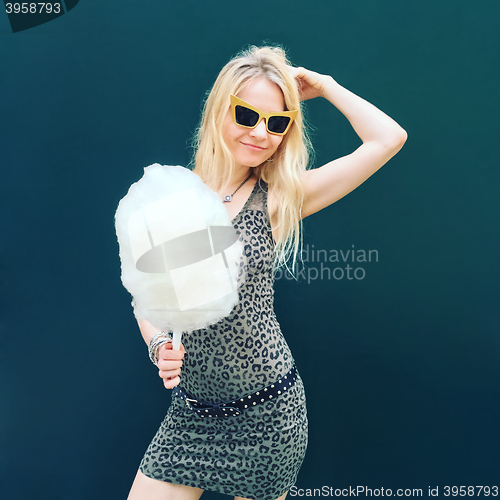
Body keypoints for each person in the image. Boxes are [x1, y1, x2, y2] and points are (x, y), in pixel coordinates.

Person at [127, 45, 407, 500]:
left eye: (278, 123)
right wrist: (159, 343)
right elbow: (147, 295)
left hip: (268, 413)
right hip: (192, 415)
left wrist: (327, 86)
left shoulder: (278, 199)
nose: (262, 132)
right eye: (247, 114)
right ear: (220, 108)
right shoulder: (167, 197)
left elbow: (388, 139)